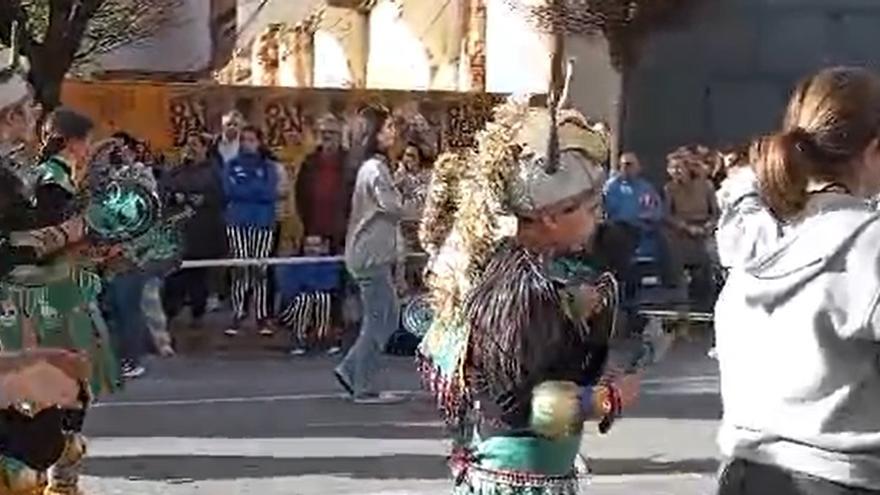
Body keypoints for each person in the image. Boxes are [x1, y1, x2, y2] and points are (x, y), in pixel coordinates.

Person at [416, 91, 642, 494]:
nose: (598, 220)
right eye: (590, 210)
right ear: (551, 217)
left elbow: (523, 358)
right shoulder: (520, 286)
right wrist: (606, 400)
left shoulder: (519, 268)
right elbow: (520, 406)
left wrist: (572, 308)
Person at [715, 66, 880, 495]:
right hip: (840, 477)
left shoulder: (755, 232)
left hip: (744, 470)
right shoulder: (869, 244)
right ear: (875, 151)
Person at [334, 105, 404, 404]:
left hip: (370, 254)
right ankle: (361, 382)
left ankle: (352, 370)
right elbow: (393, 207)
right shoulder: (375, 170)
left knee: (384, 317)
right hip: (369, 256)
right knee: (382, 320)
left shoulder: (374, 168)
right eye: (387, 127)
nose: (393, 132)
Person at [162, 132, 227, 330]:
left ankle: (198, 312)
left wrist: (202, 200)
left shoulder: (214, 171)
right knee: (175, 276)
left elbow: (220, 196)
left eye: (195, 144)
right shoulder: (177, 171)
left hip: (203, 231)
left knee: (198, 276)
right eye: (188, 144)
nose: (190, 148)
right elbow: (165, 190)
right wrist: (176, 198)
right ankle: (170, 313)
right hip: (180, 230)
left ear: (205, 148)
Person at [222, 125, 279, 337]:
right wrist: (252, 188)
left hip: (263, 223)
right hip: (237, 222)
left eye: (252, 140)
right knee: (240, 269)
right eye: (244, 140)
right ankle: (238, 313)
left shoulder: (269, 167)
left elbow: (269, 192)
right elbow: (229, 191)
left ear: (259, 142)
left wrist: (245, 188)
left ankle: (262, 316)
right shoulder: (231, 165)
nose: (247, 144)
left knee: (260, 270)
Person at [603, 152, 682, 298]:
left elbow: (655, 211)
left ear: (639, 168)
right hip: (618, 230)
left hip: (642, 230)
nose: (625, 168)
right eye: (623, 165)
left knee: (665, 237)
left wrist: (646, 218)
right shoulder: (612, 187)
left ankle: (671, 285)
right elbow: (605, 211)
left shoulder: (646, 188)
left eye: (630, 165)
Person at [664, 151, 719, 310]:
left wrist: (708, 226)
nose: (675, 171)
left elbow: (715, 212)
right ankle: (680, 318)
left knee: (705, 273)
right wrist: (686, 228)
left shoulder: (706, 186)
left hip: (704, 233)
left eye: (678, 167)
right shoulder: (670, 188)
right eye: (672, 168)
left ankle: (704, 313)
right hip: (681, 234)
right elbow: (667, 215)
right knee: (679, 279)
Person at [296, 113, 352, 255]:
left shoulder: (350, 163)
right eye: (323, 132)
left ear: (340, 136)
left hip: (342, 233)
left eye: (332, 132)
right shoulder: (309, 162)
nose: (327, 136)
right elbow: (300, 195)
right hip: (314, 230)